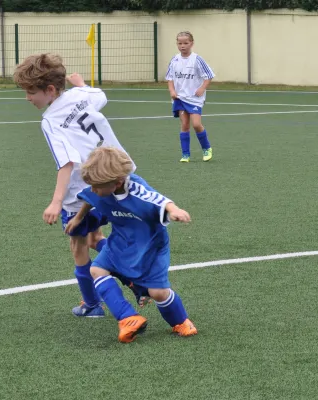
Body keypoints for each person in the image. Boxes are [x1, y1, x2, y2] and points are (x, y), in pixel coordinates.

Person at [13, 53, 139, 318]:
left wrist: (57, 201)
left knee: (78, 245)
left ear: (49, 90)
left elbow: (67, 162)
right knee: (96, 237)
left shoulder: (49, 120)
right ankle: (134, 280)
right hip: (115, 176)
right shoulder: (80, 96)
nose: (27, 98)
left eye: (30, 92)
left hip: (82, 191)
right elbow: (100, 96)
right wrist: (81, 84)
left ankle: (92, 305)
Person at [65, 147, 198, 343]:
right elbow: (88, 197)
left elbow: (158, 199)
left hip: (150, 246)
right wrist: (78, 218)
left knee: (158, 292)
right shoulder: (100, 186)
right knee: (97, 270)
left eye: (96, 186)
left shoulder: (136, 189)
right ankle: (128, 317)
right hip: (119, 241)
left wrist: (174, 210)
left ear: (117, 182)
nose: (93, 190)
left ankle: (180, 321)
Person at [166, 31, 215, 163]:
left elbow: (209, 75)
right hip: (180, 98)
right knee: (185, 125)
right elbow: (169, 78)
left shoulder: (197, 59)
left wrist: (202, 88)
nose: (182, 46)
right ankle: (185, 154)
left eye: (186, 43)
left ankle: (206, 148)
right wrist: (172, 91)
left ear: (191, 43)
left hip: (194, 98)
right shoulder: (174, 59)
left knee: (196, 124)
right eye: (180, 43)